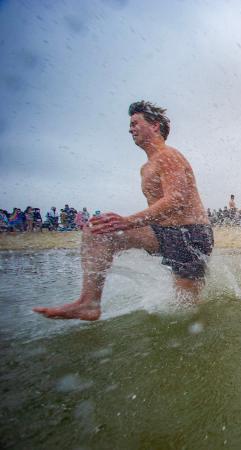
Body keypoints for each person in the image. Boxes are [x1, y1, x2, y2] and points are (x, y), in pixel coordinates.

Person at [33, 101, 214, 320]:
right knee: (99, 231)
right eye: (130, 124)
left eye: (135, 123)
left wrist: (128, 221)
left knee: (186, 309)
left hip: (189, 234)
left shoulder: (169, 155)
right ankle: (88, 302)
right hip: (162, 232)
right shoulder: (146, 167)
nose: (130, 129)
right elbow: (160, 210)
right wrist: (127, 224)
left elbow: (176, 200)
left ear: (155, 126)